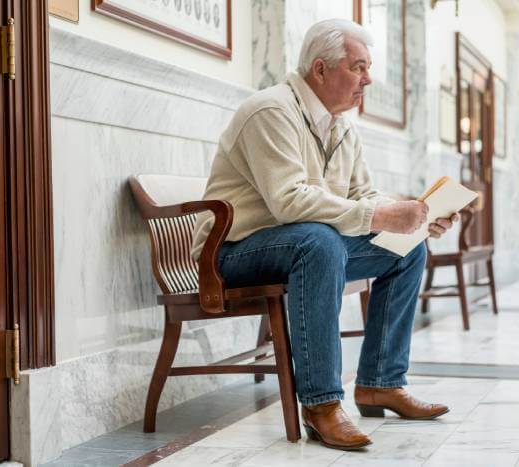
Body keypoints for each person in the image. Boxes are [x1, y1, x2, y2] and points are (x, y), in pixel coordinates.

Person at [191, 18, 456, 451]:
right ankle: (321, 404)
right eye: (358, 67)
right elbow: (289, 203)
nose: (367, 79)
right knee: (319, 241)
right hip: (232, 252)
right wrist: (382, 214)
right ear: (320, 69)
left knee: (405, 249)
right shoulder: (271, 111)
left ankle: (380, 384)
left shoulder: (342, 125)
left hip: (300, 246)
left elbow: (363, 194)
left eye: (368, 68)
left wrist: (416, 217)